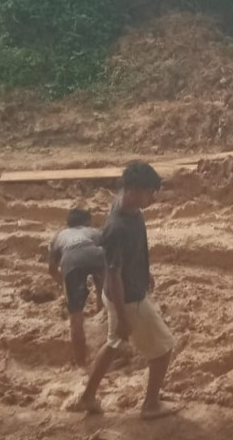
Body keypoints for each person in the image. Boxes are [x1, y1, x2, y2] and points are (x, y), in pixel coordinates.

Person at [67, 162, 180, 420]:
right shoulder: (117, 228)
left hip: (121, 292)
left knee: (115, 342)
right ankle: (150, 405)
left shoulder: (130, 209)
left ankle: (88, 396)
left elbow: (129, 254)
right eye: (149, 193)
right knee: (164, 348)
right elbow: (114, 274)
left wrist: (143, 270)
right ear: (133, 190)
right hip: (128, 298)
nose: (152, 198)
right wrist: (122, 314)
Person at [48, 208, 105, 367]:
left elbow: (52, 269)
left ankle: (81, 362)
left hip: (71, 260)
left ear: (68, 224)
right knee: (103, 287)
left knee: (76, 316)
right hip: (96, 255)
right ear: (88, 222)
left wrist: (64, 284)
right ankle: (101, 312)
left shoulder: (59, 235)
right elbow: (112, 253)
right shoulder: (94, 232)